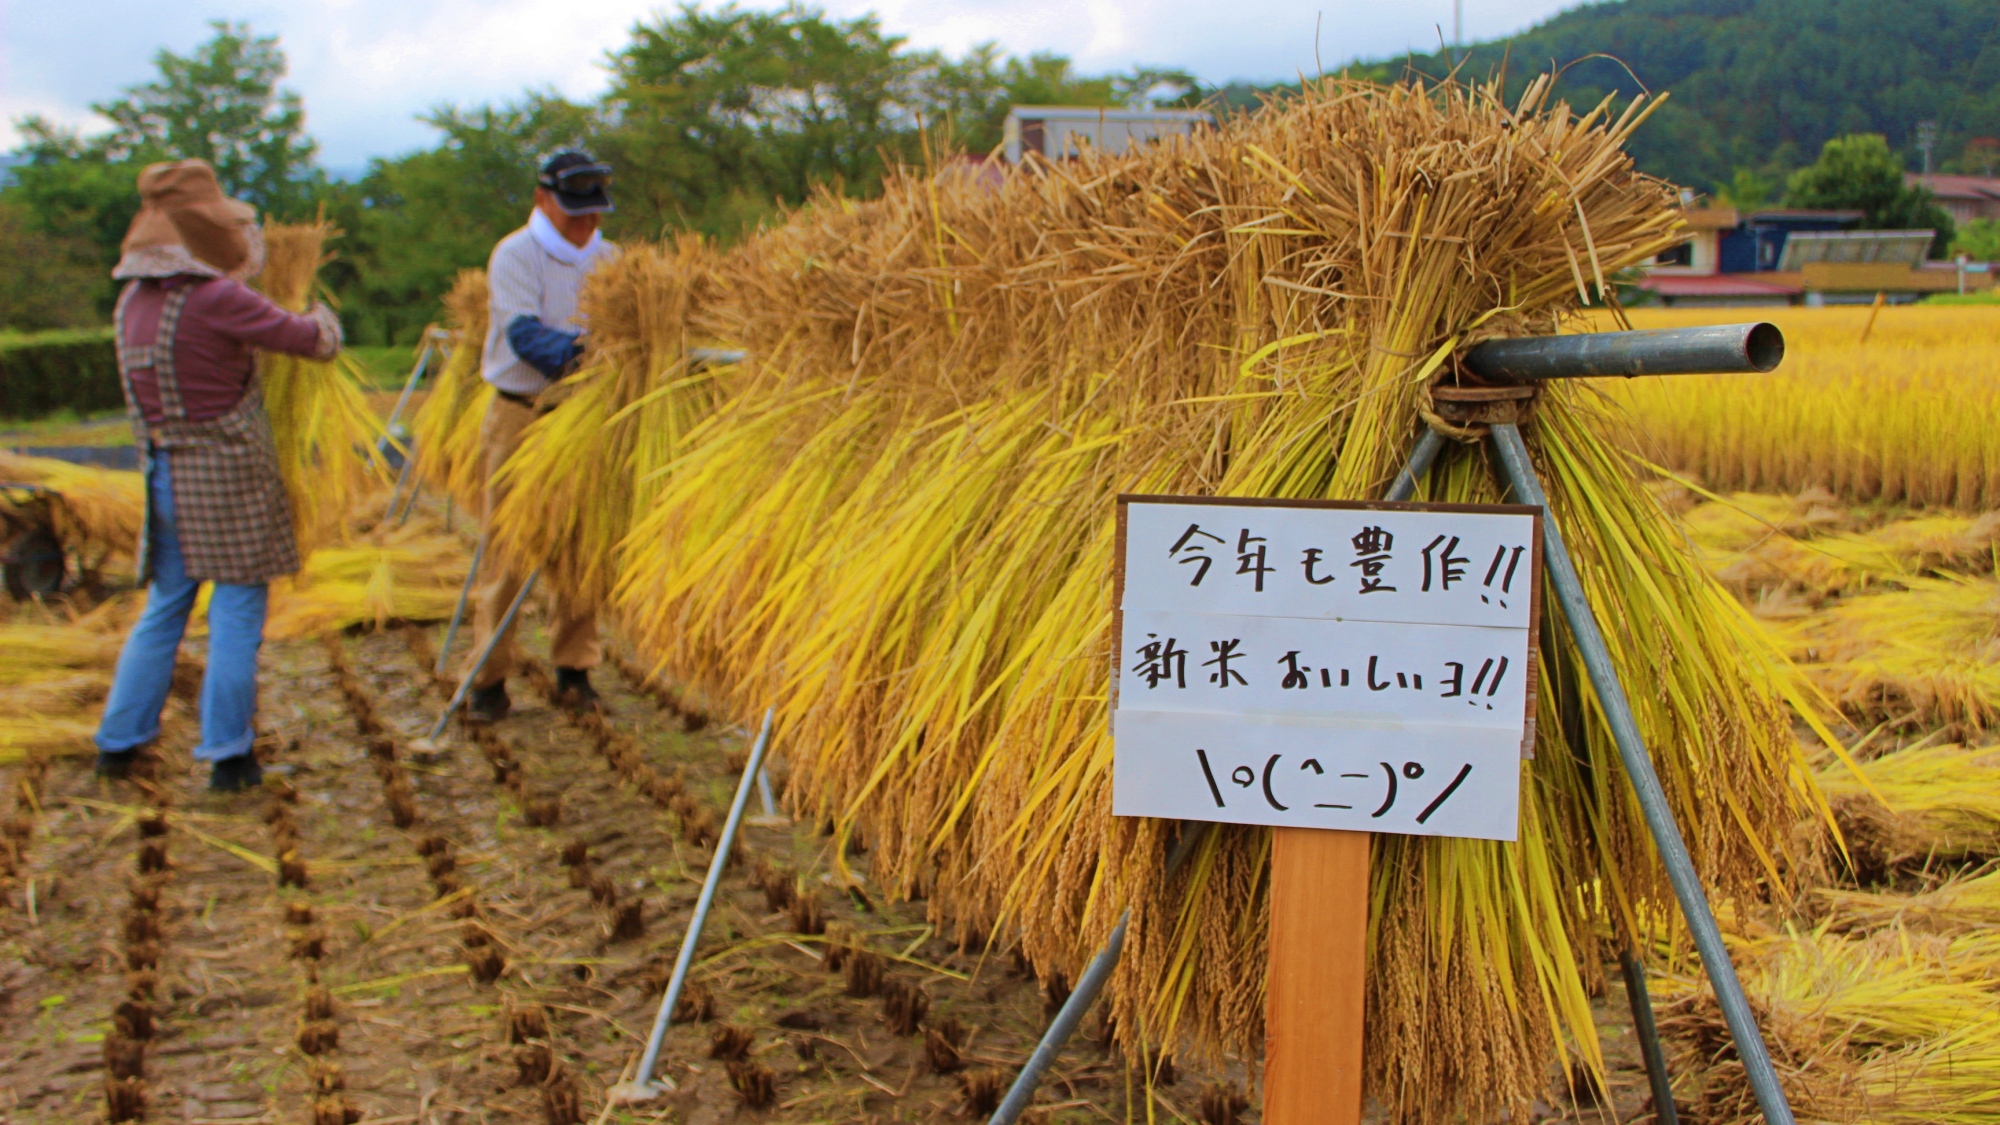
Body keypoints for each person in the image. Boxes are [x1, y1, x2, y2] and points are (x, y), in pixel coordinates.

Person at [93, 159, 342, 791]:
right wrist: (321, 316)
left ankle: (118, 745)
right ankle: (229, 756)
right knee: (235, 614)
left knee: (164, 610)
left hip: (163, 476)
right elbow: (310, 342)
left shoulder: (131, 305)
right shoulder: (216, 298)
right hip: (227, 480)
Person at [461, 149, 618, 722]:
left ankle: (575, 669)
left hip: (584, 416)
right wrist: (600, 354)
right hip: (522, 415)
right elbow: (527, 337)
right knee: (508, 549)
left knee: (580, 546)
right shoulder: (515, 255)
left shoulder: (613, 260)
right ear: (541, 200)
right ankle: (488, 679)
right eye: (574, 213)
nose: (585, 225)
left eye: (594, 214)